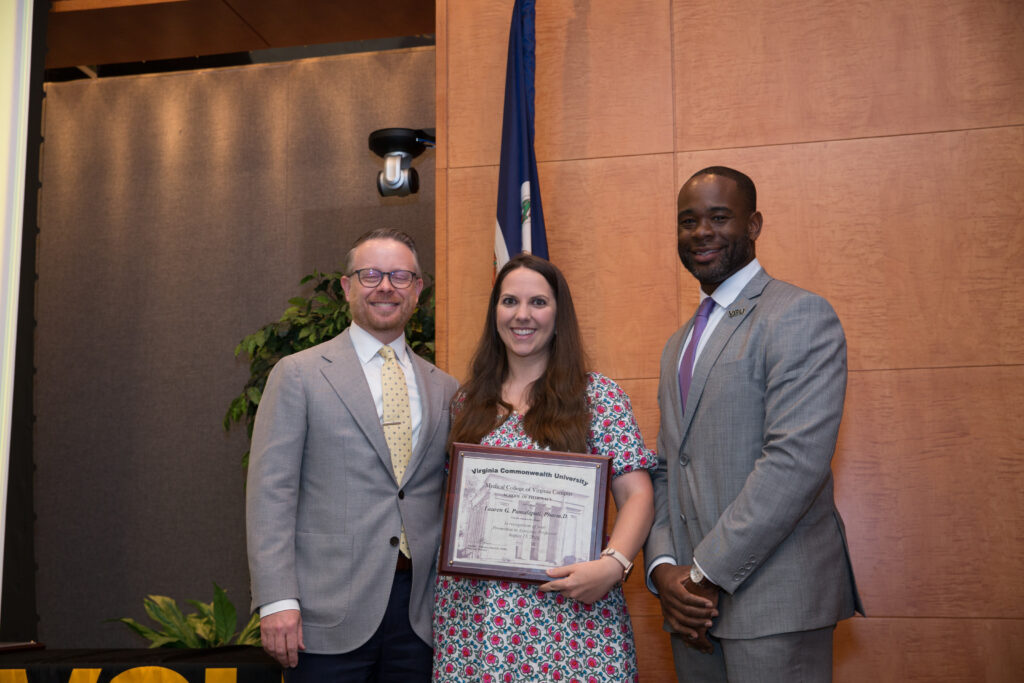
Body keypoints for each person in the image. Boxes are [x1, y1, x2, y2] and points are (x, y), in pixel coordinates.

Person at [645, 167, 862, 682]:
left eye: (719, 217)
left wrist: (704, 574)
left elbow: (793, 464)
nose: (701, 232)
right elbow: (667, 468)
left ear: (755, 224)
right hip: (691, 614)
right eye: (688, 221)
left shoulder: (798, 315)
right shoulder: (678, 344)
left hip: (774, 605)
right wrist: (665, 569)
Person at [246, 228, 459, 681]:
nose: (386, 286)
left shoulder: (445, 388)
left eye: (401, 276)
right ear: (346, 287)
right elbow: (271, 494)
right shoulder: (299, 375)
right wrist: (278, 599)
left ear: (418, 290)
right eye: (371, 275)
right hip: (324, 617)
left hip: (420, 617)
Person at [433, 253, 656, 682]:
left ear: (559, 314)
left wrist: (612, 566)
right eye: (509, 301)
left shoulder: (598, 398)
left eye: (538, 302)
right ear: (494, 312)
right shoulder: (466, 402)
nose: (522, 315)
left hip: (572, 616)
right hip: (475, 620)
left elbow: (638, 495)